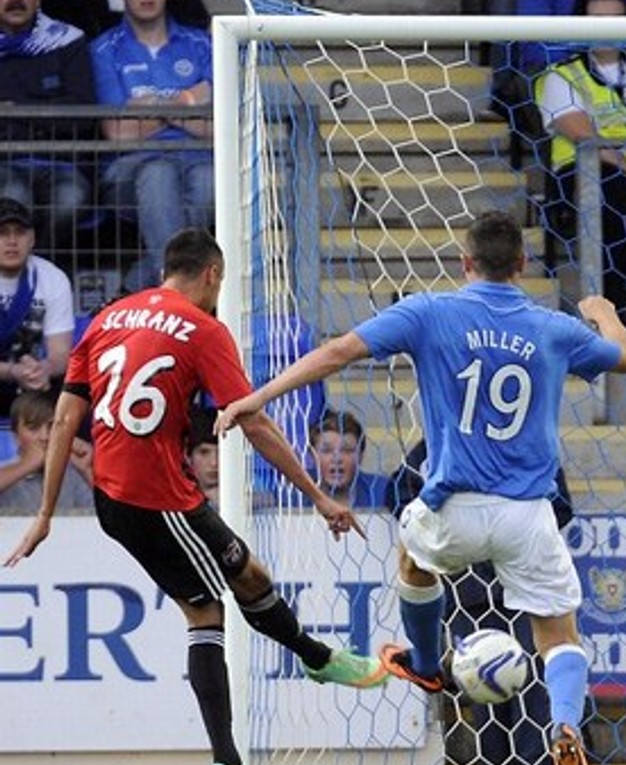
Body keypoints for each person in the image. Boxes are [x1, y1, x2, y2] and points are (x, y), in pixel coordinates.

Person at [215, 211, 626, 765]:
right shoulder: (551, 327)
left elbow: (337, 353)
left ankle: (422, 662)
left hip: (453, 507)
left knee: (413, 562)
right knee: (560, 637)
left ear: (465, 263)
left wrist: (256, 398)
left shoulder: (429, 311)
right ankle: (565, 725)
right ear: (522, 264)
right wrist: (604, 313)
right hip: (528, 514)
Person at [3, 228, 388, 765]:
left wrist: (46, 512)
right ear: (212, 275)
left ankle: (315, 657)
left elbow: (67, 417)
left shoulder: (110, 317)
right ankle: (231, 753)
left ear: (166, 271)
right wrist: (318, 496)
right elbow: (253, 421)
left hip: (117, 494)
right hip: (156, 498)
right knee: (205, 611)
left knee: (248, 574)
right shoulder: (203, 329)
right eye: (219, 285)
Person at [389, 440, 578, 765]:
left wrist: (506, 530)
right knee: (484, 691)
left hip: (522, 594)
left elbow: (560, 505)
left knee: (534, 691)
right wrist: (452, 529)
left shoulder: (524, 438)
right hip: (470, 596)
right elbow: (396, 494)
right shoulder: (438, 444)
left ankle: (540, 759)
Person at [533, 0, 626, 325]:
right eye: (597, 19)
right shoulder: (562, 75)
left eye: (615, 19)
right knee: (616, 195)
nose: (607, 27)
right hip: (585, 170)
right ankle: (612, 315)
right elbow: (583, 136)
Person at [92, 0, 213, 292]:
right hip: (129, 170)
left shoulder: (203, 43)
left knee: (208, 181)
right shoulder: (103, 49)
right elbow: (119, 133)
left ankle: (145, 281)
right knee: (158, 173)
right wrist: (186, 101)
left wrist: (151, 107)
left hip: (198, 161)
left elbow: (215, 128)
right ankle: (182, 292)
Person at [0, 0, 94, 249]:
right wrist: (46, 112)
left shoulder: (67, 39)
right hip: (3, 164)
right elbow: (64, 115)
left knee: (71, 198)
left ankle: (39, 263)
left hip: (60, 163)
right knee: (15, 197)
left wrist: (15, 110)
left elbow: (82, 116)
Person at [0, 197, 75, 414]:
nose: (12, 241)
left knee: (66, 387)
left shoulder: (53, 278)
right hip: (10, 372)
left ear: (32, 239)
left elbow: (60, 355)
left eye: (19, 233)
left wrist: (44, 369)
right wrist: (12, 371)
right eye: (3, 233)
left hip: (31, 381)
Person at [0, 391, 92, 510]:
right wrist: (27, 465)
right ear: (16, 436)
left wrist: (87, 470)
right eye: (33, 428)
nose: (44, 437)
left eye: (52, 427)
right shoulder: (5, 471)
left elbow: (106, 513)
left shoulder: (73, 472)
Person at [186, 405, 218, 506]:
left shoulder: (252, 505)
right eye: (204, 452)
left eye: (221, 453)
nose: (214, 463)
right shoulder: (172, 505)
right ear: (188, 457)